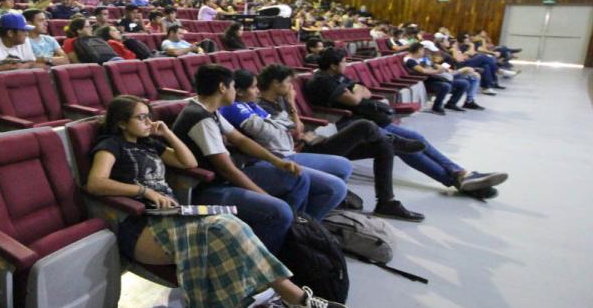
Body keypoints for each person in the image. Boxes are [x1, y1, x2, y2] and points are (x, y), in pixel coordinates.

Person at [87, 95, 351, 308]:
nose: (148, 122)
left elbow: (188, 163)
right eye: (141, 117)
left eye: (149, 116)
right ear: (122, 123)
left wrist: (167, 134)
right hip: (140, 224)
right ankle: (296, 299)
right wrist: (144, 191)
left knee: (230, 226)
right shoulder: (112, 145)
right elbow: (95, 183)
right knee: (224, 228)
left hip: (173, 215)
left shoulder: (149, 146)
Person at [228, 67, 427, 221]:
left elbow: (294, 128)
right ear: (274, 83)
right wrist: (291, 104)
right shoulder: (260, 105)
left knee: (382, 147)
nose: (291, 88)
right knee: (364, 126)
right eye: (288, 83)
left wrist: (293, 121)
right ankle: (394, 143)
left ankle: (387, 200)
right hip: (300, 149)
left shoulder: (270, 103)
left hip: (309, 141)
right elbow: (294, 131)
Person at [305, 48, 508, 199]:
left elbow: (362, 89)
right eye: (343, 62)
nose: (346, 65)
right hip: (349, 127)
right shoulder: (322, 81)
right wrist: (356, 92)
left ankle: (459, 176)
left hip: (364, 120)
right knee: (410, 142)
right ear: (333, 65)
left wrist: (356, 90)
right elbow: (356, 99)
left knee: (410, 143)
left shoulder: (337, 76)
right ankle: (458, 176)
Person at [173, 64, 335, 253]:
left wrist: (277, 161)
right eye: (233, 86)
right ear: (222, 88)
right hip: (208, 188)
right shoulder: (201, 119)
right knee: (279, 210)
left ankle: (292, 238)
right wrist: (263, 195)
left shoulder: (209, 109)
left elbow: (240, 140)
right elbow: (226, 169)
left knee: (297, 178)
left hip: (227, 177)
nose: (235, 91)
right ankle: (262, 258)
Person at [405, 42, 467, 114]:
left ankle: (451, 104)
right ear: (419, 50)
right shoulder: (410, 60)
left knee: (464, 83)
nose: (424, 52)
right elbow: (423, 70)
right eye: (422, 50)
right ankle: (436, 107)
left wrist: (443, 68)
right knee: (446, 86)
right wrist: (437, 71)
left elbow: (433, 65)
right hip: (424, 81)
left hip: (433, 78)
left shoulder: (422, 58)